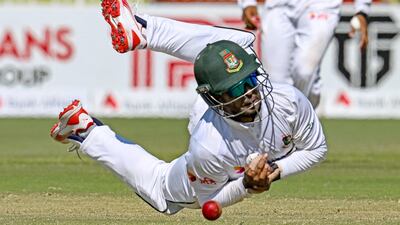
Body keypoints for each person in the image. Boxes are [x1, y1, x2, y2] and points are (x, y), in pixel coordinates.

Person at [50, 0, 327, 215]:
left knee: (240, 45)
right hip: (212, 157)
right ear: (219, 99)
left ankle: (145, 30)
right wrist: (247, 186)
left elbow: (317, 149)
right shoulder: (208, 147)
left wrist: (275, 172)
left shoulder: (286, 99)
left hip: (226, 122)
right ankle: (87, 131)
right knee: (161, 190)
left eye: (252, 80)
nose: (252, 92)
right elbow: (211, 201)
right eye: (239, 89)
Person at [239, 0, 371, 108]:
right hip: (278, 5)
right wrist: (247, 2)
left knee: (305, 71)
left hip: (322, 5)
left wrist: (362, 9)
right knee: (274, 83)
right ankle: (284, 132)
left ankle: (303, 124)